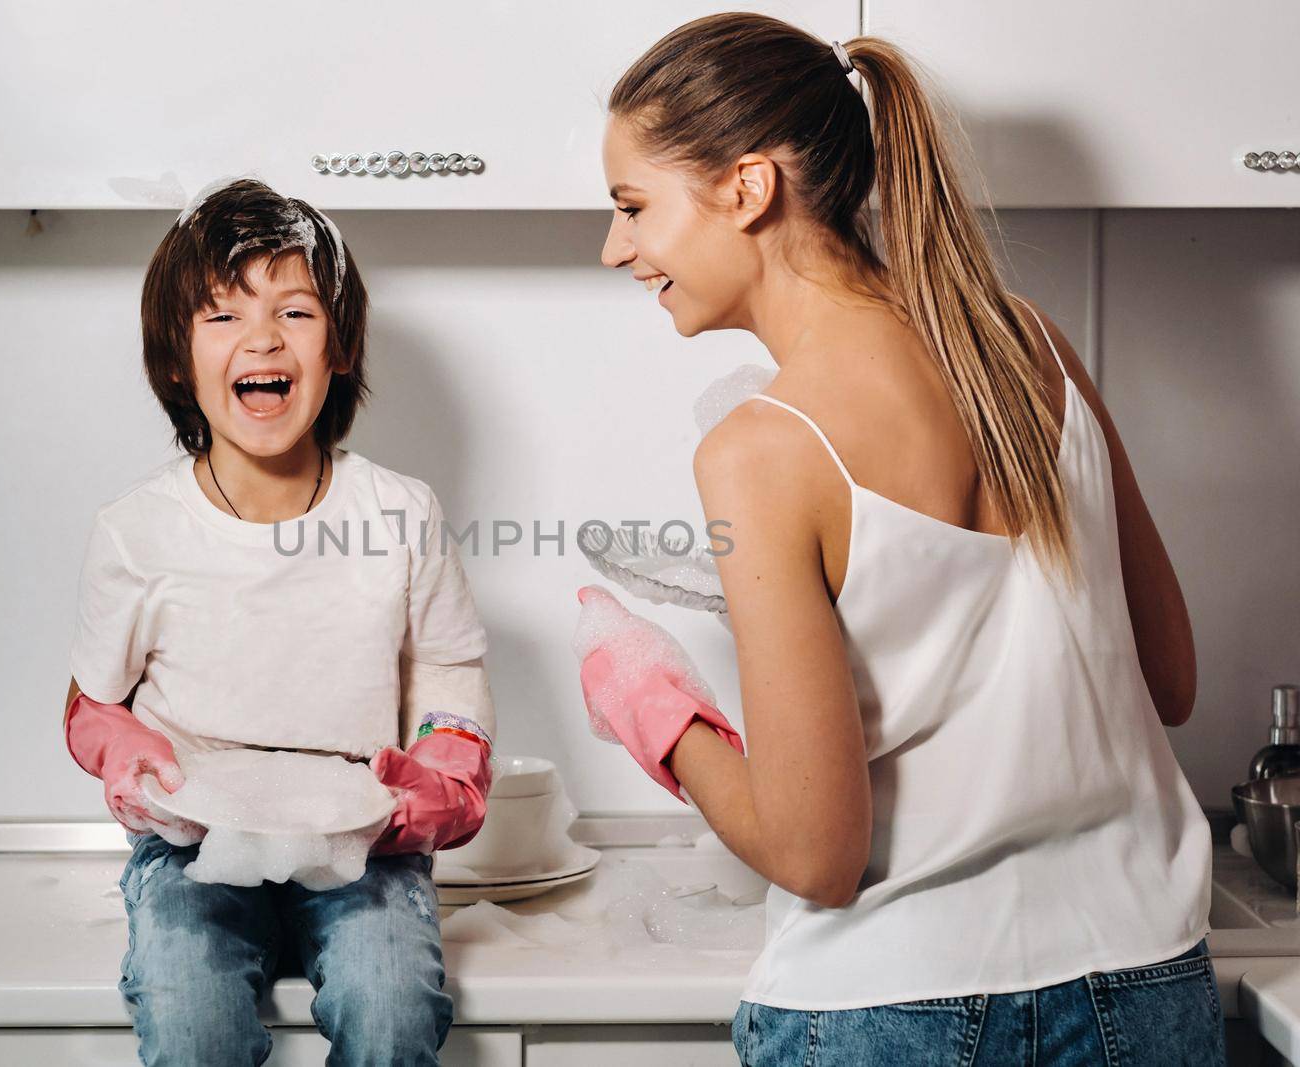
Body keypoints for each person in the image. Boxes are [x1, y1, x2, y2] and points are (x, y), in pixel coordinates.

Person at [574, 13, 1222, 1065]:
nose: (616, 247)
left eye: (632, 206)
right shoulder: (1030, 344)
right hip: (1143, 986)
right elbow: (1173, 677)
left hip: (889, 1006)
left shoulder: (762, 449)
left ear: (746, 187)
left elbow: (815, 854)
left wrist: (656, 707)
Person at [62, 177, 496, 1065]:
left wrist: (442, 784)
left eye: (294, 312)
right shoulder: (136, 530)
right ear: (178, 361)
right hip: (195, 840)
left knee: (392, 1002)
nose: (261, 338)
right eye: (223, 316)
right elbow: (89, 701)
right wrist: (126, 757)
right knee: (188, 1006)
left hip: (363, 839)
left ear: (339, 348)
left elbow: (450, 679)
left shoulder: (401, 513)